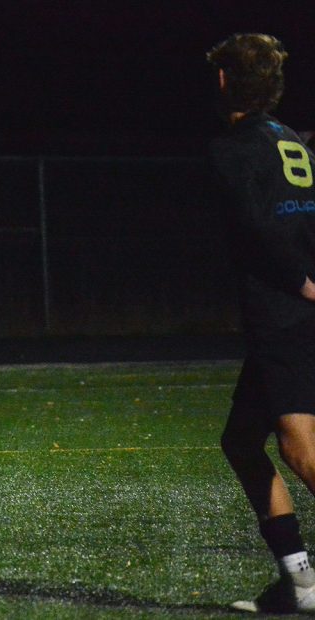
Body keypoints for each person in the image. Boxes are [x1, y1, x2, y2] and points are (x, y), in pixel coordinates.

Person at [207, 34, 315, 613]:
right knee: (241, 441)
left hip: (284, 316)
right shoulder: (289, 140)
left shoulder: (230, 150)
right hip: (291, 317)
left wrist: (304, 285)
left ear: (224, 81)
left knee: (301, 452)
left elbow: (257, 234)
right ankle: (299, 582)